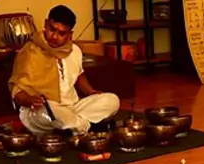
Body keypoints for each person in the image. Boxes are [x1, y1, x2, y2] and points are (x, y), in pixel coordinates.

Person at [8, 5, 120, 135]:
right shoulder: (29, 53)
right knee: (53, 113)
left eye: (61, 33)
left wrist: (90, 92)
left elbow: (78, 75)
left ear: (70, 34)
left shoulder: (74, 51)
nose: (54, 36)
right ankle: (87, 127)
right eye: (52, 29)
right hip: (41, 110)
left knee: (112, 101)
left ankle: (72, 128)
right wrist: (31, 99)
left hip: (73, 107)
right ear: (46, 24)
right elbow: (17, 92)